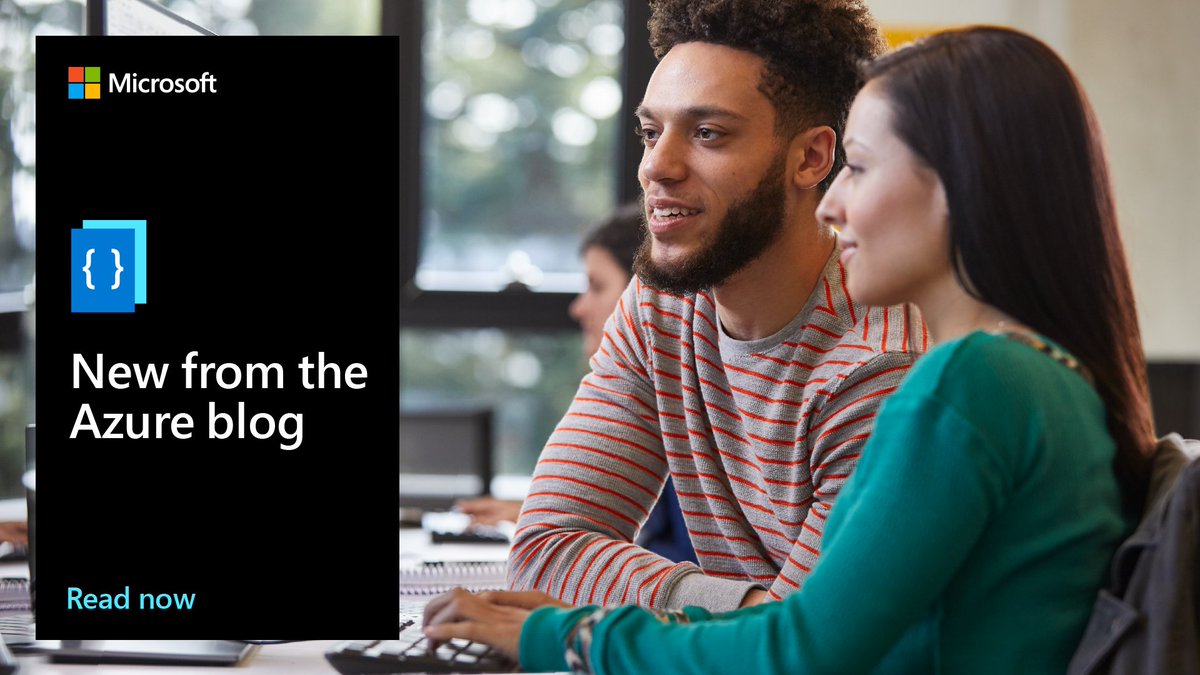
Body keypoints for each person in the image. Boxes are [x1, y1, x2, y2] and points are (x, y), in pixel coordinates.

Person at [422, 25, 1158, 674]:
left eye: (859, 168)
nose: (834, 204)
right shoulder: (1031, 375)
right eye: (649, 132)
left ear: (955, 188)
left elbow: (798, 648)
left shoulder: (967, 381)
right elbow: (797, 631)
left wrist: (567, 635)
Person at [502, 0, 921, 613]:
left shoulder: (877, 368)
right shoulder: (661, 309)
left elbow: (810, 641)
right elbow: (545, 552)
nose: (656, 166)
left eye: (707, 134)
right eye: (651, 132)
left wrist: (732, 616)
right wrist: (743, 608)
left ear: (811, 158)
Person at [456, 204, 698, 563]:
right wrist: (551, 518)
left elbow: (680, 555)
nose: (578, 308)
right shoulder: (646, 396)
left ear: (643, 294)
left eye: (596, 287)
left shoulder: (693, 411)